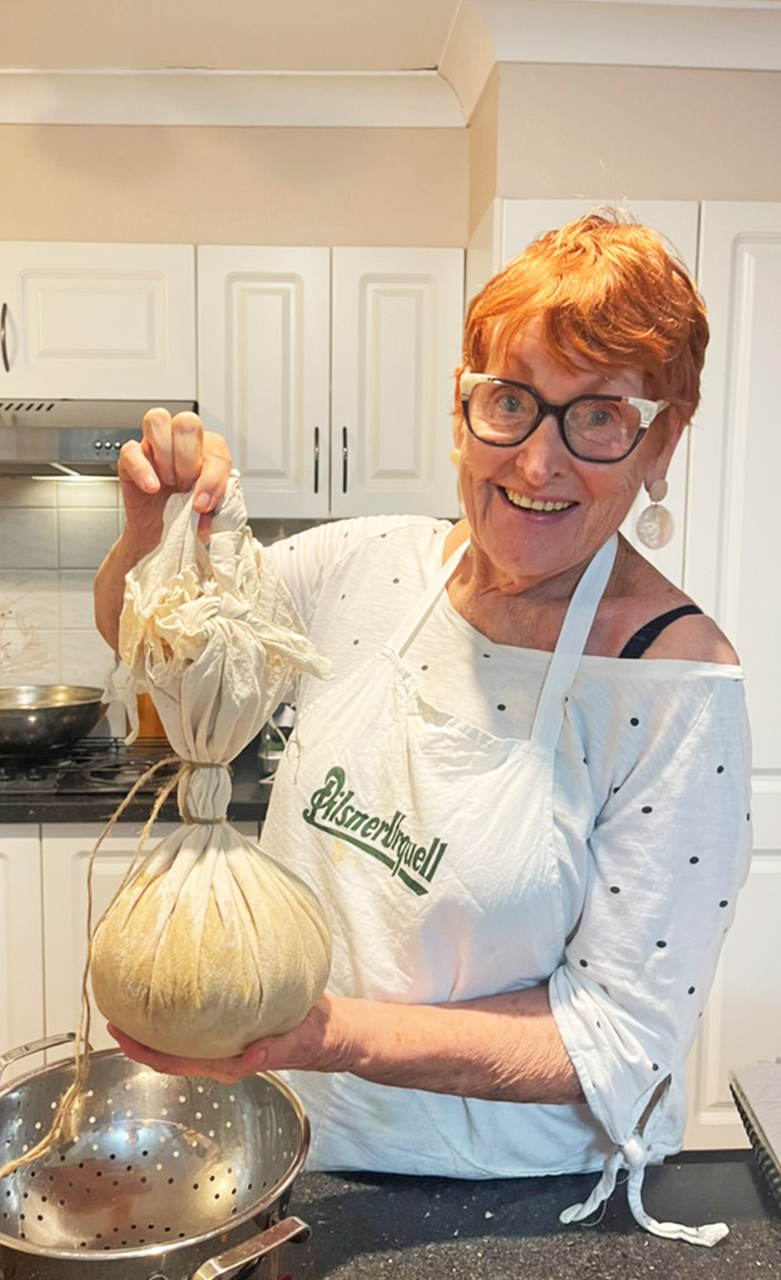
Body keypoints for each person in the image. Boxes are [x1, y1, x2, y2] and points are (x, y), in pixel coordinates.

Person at [93, 211, 752, 1246]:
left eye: (597, 418)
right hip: (293, 1152)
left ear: (658, 440)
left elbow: (615, 1039)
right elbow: (165, 649)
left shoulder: (675, 688)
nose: (537, 462)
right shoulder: (358, 568)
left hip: (522, 1205)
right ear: (461, 410)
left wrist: (318, 1033)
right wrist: (155, 536)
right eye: (510, 402)